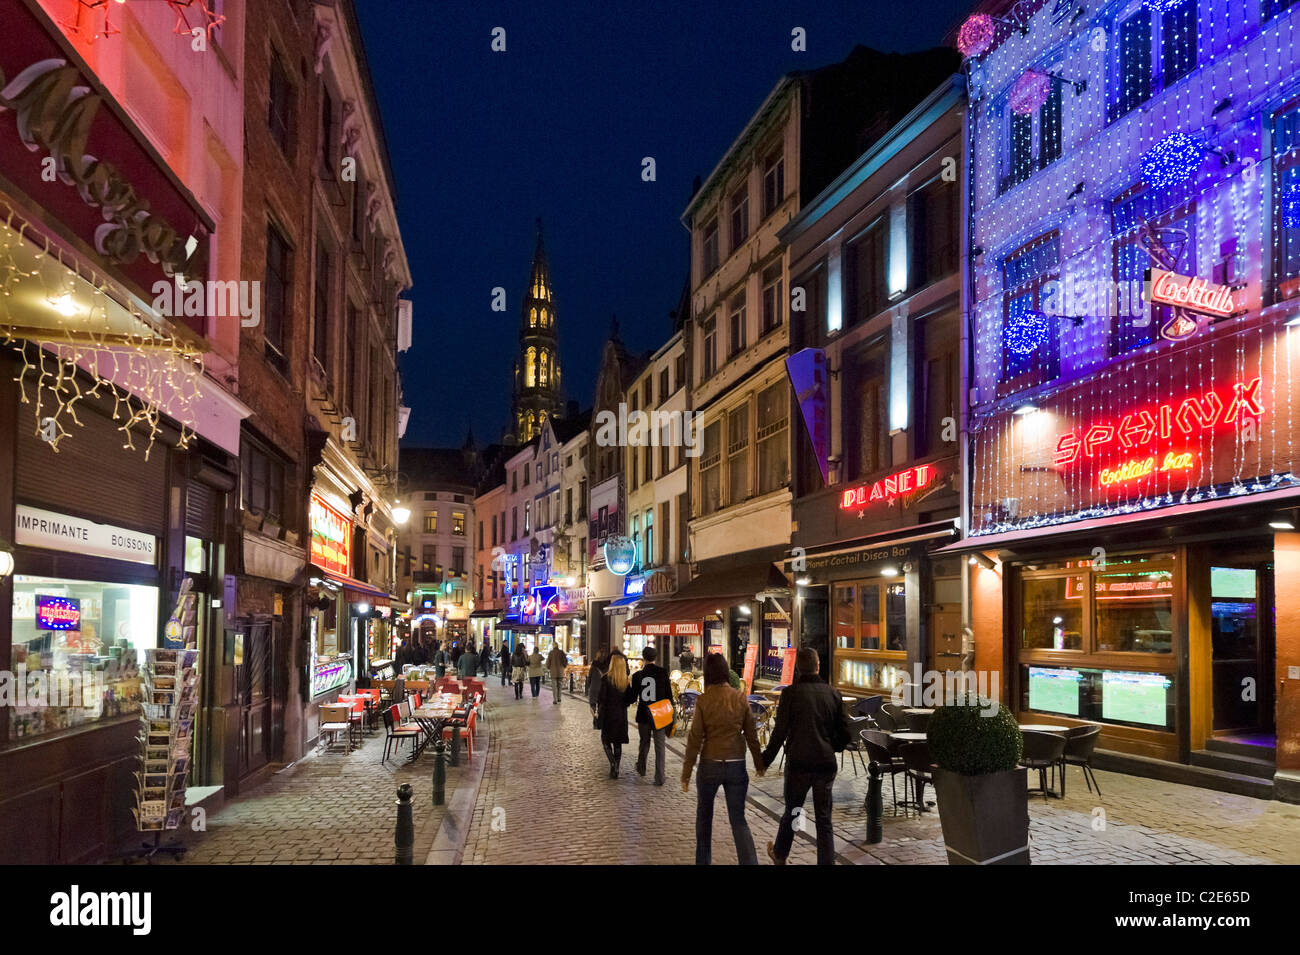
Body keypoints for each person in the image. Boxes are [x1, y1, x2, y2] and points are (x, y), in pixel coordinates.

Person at [761, 648, 849, 866]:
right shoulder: (833, 693)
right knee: (824, 819)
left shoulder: (790, 694)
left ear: (798, 668)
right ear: (817, 666)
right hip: (824, 764)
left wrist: (764, 761)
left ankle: (780, 854)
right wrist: (832, 746)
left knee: (792, 811)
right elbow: (846, 733)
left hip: (799, 762)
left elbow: (779, 731)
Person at [681, 652, 764, 865]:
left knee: (704, 819)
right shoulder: (739, 697)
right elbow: (752, 734)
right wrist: (759, 762)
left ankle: (703, 861)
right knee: (738, 820)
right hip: (736, 762)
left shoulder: (704, 700)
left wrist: (687, 773)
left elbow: (695, 738)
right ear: (726, 672)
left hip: (710, 762)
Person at [629, 645, 673, 785]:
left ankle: (641, 768)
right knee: (660, 746)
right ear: (655, 657)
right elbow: (669, 695)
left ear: (643, 658)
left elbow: (631, 697)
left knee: (644, 742)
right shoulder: (662, 672)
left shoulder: (637, 676)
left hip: (644, 713)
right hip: (659, 714)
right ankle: (660, 777)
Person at [596, 651, 635, 778]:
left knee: (606, 740)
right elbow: (630, 699)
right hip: (621, 715)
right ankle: (617, 766)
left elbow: (602, 698)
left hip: (608, 714)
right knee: (617, 742)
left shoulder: (606, 679)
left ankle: (613, 764)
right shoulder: (625, 681)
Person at [587, 648, 610, 727]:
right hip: (603, 688)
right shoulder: (607, 667)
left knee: (592, 704)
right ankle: (600, 721)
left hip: (594, 687)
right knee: (601, 705)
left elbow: (589, 677)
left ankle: (595, 720)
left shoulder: (593, 666)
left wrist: (589, 686)